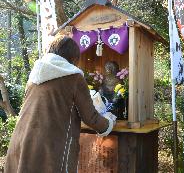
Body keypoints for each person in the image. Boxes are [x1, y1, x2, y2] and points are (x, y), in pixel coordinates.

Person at [4, 35, 115, 173]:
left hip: (19, 143)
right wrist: (109, 121)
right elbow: (91, 117)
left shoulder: (33, 77)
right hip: (50, 148)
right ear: (73, 58)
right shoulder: (74, 77)